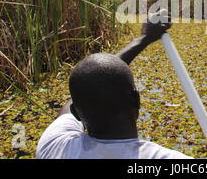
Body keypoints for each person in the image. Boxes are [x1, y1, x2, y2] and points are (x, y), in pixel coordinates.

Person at [36, 11, 192, 159]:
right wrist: (145, 38)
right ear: (137, 101)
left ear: (76, 113)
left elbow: (82, 91)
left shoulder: (52, 146)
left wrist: (143, 39)